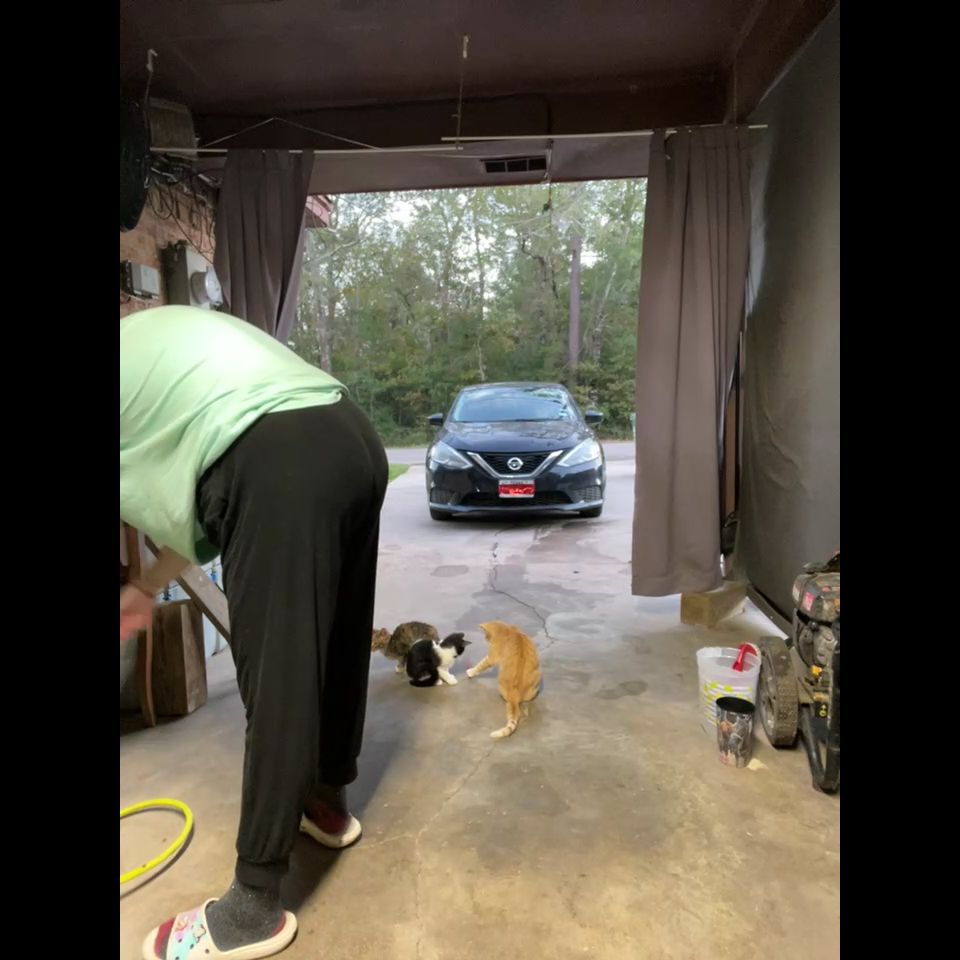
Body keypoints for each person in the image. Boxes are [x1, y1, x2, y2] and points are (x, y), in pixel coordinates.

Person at [120, 305, 388, 960]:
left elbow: (235, 474)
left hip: (277, 457)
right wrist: (147, 588)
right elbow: (206, 500)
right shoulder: (148, 350)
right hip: (350, 439)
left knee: (279, 675)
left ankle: (252, 909)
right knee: (336, 641)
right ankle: (326, 801)